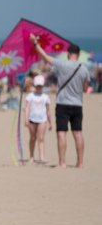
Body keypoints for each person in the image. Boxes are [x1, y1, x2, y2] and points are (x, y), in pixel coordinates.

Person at [31, 34, 90, 168]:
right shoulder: (84, 69)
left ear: (68, 54)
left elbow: (44, 56)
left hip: (63, 104)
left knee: (61, 133)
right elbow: (85, 89)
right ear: (78, 55)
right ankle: (80, 163)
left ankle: (62, 163)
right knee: (78, 133)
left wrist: (35, 43)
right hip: (77, 104)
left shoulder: (62, 64)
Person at [24, 75, 52, 163]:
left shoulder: (45, 97)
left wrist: (51, 122)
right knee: (32, 138)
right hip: (32, 119)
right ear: (35, 86)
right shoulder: (30, 96)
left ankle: (42, 157)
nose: (39, 88)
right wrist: (26, 119)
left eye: (40, 86)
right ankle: (31, 156)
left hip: (42, 120)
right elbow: (27, 108)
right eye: (37, 86)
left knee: (41, 138)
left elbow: (48, 110)